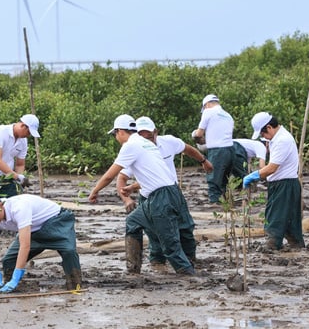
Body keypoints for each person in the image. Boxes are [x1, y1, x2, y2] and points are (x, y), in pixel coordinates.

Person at [88, 114, 195, 275]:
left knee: (170, 246)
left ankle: (190, 277)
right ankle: (133, 270)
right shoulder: (147, 143)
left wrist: (95, 191)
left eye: (115, 134)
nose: (116, 138)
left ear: (120, 132)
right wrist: (132, 188)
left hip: (161, 198)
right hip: (170, 192)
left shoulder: (131, 145)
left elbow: (111, 175)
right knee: (133, 220)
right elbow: (155, 175)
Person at [116, 116, 213, 265]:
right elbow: (121, 178)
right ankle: (158, 264)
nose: (145, 139)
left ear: (155, 132)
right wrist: (127, 199)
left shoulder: (168, 142)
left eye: (148, 135)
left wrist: (203, 161)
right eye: (141, 135)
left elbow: (188, 149)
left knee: (185, 228)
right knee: (156, 235)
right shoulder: (136, 147)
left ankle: (189, 260)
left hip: (172, 192)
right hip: (150, 197)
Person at [0, 190, 82, 292]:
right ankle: (12, 285)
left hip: (56, 222)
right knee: (9, 261)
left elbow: (25, 245)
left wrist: (16, 276)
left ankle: (75, 285)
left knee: (69, 252)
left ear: (0, 205)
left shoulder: (19, 208)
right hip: (33, 231)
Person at [242, 112, 305, 251]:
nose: (263, 137)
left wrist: (253, 176)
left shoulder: (282, 140)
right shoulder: (277, 138)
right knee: (289, 220)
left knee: (275, 218)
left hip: (284, 185)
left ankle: (271, 246)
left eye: (263, 134)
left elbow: (271, 168)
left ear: (269, 127)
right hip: (285, 184)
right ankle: (297, 246)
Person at [192, 94, 242, 204]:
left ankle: (215, 206)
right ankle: (225, 203)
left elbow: (199, 134)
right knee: (224, 180)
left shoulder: (208, 112)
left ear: (207, 104)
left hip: (217, 152)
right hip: (230, 150)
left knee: (213, 180)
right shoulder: (228, 115)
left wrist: (194, 136)